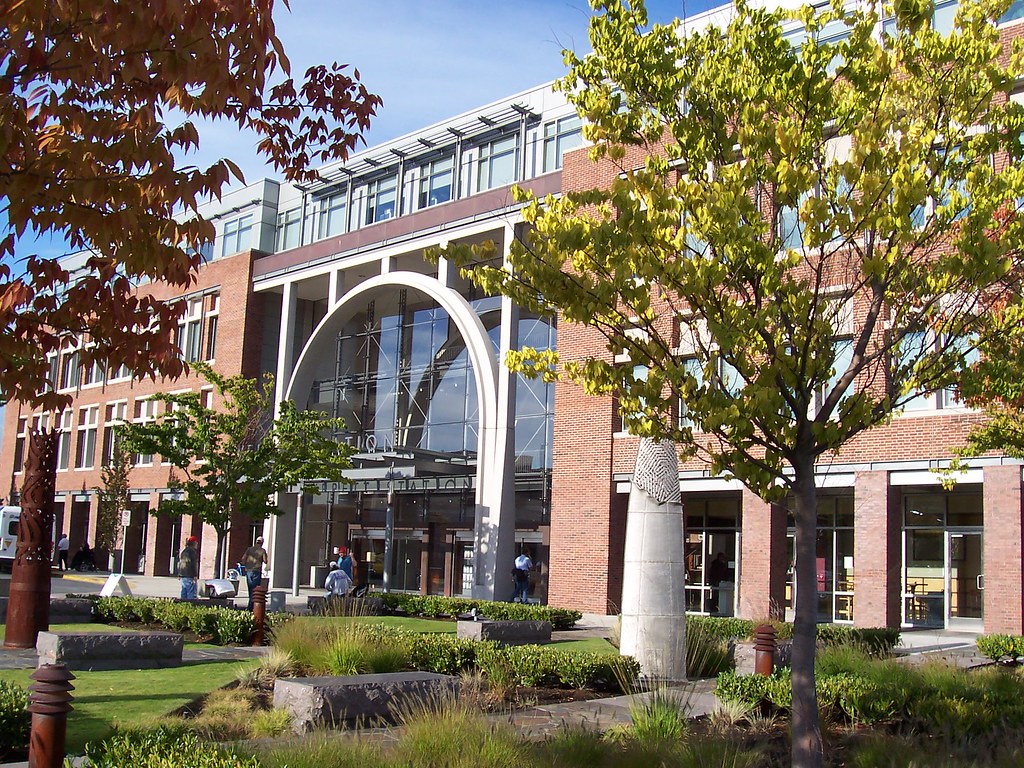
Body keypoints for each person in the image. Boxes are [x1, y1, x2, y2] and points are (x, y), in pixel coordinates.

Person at [241, 536, 269, 610]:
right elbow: (265, 561)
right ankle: (251, 607)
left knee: (250, 589)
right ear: (262, 543)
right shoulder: (262, 551)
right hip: (256, 571)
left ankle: (251, 606)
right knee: (255, 590)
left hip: (248, 571)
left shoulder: (249, 549)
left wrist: (245, 564)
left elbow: (243, 559)